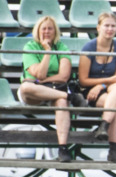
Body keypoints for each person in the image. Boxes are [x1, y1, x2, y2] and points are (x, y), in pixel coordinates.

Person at [18, 16, 87, 163]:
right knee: (25, 87)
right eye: (44, 28)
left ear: (55, 31)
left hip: (54, 89)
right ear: (38, 30)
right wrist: (47, 51)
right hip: (33, 93)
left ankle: (63, 148)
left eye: (50, 28)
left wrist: (42, 81)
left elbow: (63, 76)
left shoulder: (61, 47)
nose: (47, 31)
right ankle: (71, 97)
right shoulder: (29, 47)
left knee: (61, 102)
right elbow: (40, 73)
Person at [78, 12, 116, 164]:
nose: (110, 29)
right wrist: (102, 83)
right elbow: (83, 81)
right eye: (106, 25)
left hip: (109, 90)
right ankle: (114, 149)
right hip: (89, 93)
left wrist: (101, 84)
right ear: (98, 27)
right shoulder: (88, 47)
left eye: (113, 26)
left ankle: (104, 125)